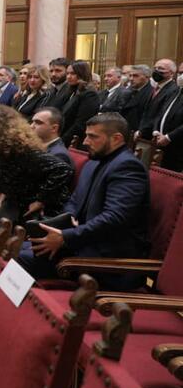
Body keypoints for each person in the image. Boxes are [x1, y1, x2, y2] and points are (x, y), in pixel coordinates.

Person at [19, 113, 149, 292]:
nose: (86, 141)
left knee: (19, 257)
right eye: (86, 135)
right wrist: (67, 220)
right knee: (14, 245)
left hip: (107, 259)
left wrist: (66, 237)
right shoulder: (93, 162)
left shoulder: (128, 167)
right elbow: (74, 201)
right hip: (81, 242)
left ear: (116, 138)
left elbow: (115, 218)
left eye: (93, 136)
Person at [0, 106, 74, 236]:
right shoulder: (1, 150)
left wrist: (40, 200)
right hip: (13, 206)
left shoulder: (22, 151)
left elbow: (63, 169)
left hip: (27, 213)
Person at [60, 60, 101, 146]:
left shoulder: (89, 94)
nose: (68, 77)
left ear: (82, 74)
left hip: (75, 141)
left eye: (73, 73)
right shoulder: (71, 91)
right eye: (67, 73)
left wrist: (61, 140)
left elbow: (81, 124)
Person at [147, 75, 183, 172]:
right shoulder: (176, 92)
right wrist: (155, 131)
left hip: (177, 146)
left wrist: (168, 137)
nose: (180, 76)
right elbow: (160, 113)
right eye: (180, 73)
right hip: (159, 141)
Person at [139, 58, 179, 139]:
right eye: (155, 68)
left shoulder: (173, 90)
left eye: (161, 69)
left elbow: (160, 114)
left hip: (155, 135)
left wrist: (142, 131)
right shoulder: (155, 88)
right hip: (144, 134)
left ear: (171, 73)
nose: (156, 71)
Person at [120, 64, 155, 132]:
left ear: (147, 77)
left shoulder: (152, 93)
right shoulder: (129, 92)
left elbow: (148, 118)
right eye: (130, 75)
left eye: (135, 76)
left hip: (139, 133)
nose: (131, 79)